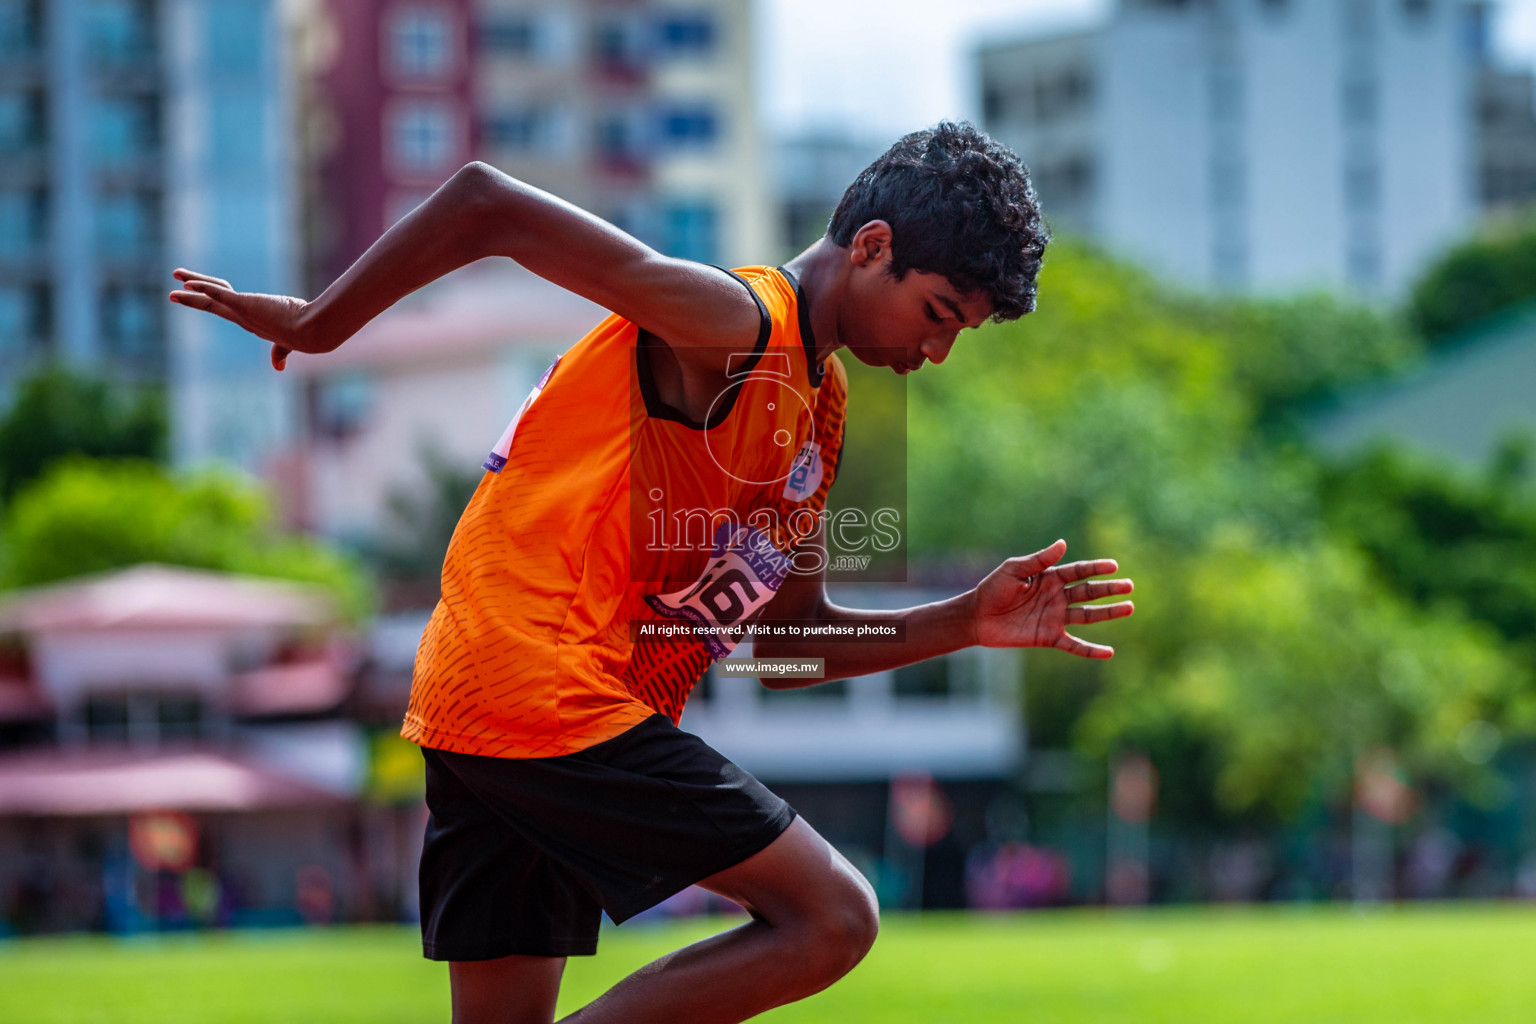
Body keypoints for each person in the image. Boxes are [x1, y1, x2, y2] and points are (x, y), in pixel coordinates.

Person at [169, 121, 1134, 1024]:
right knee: (835, 918)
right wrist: (322, 322)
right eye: (937, 314)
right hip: (545, 692)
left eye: (960, 331)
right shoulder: (738, 322)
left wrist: (963, 621)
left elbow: (784, 642)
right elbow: (484, 202)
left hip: (490, 708)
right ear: (873, 246)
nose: (937, 351)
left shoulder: (818, 403)